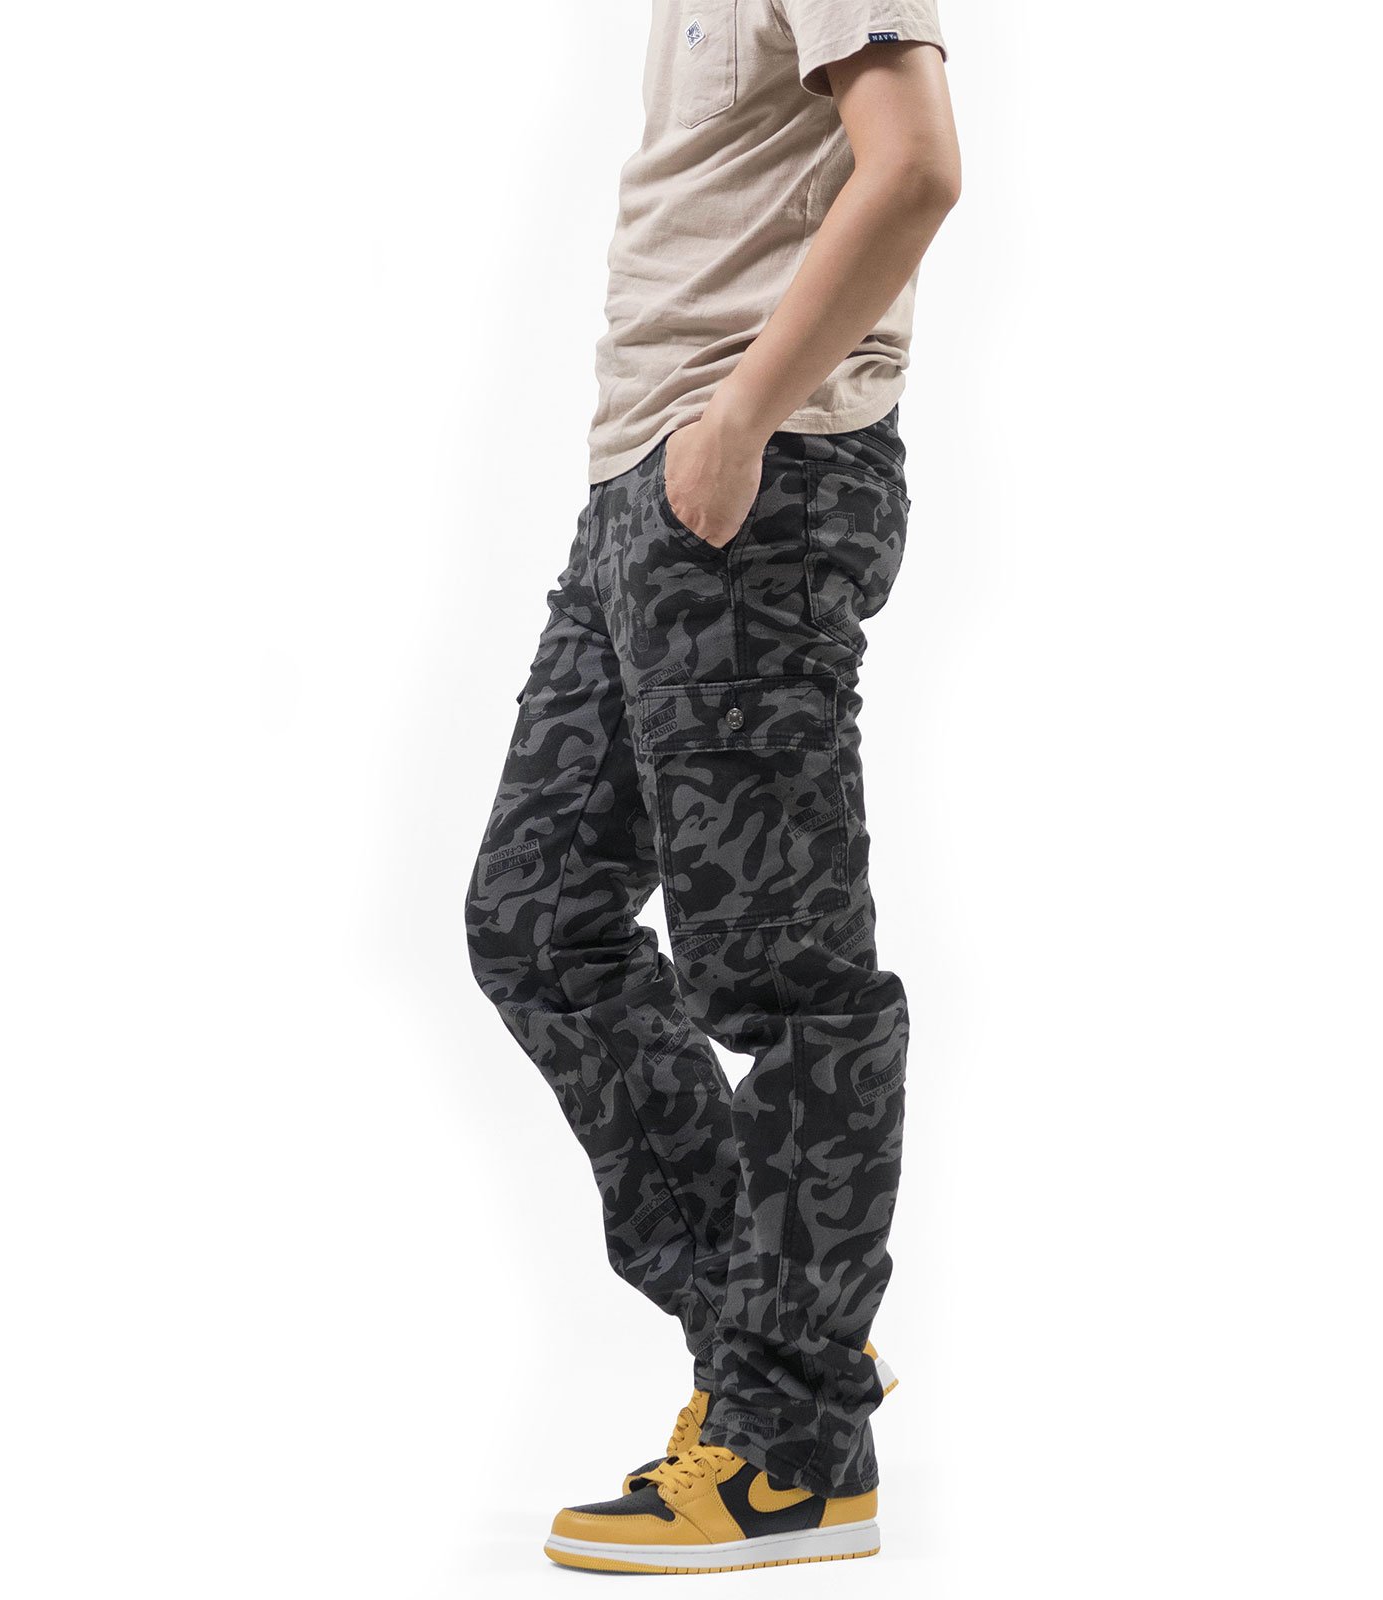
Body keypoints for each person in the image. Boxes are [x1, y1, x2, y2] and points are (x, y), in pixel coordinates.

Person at [465, 1, 959, 1574]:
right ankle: (790, 1348)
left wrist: (740, 419)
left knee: (783, 977)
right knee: (540, 921)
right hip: (647, 489)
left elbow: (916, 167)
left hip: (757, 476)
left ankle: (796, 1452)